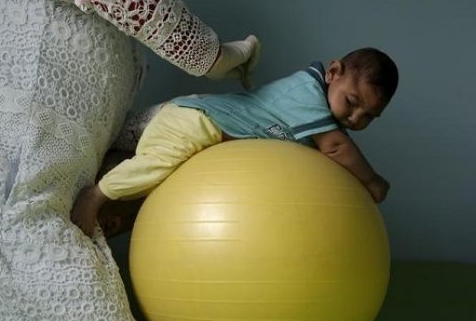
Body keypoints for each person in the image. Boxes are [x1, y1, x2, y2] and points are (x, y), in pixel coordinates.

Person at [0, 0, 260, 321]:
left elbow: (94, 124)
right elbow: (138, 4)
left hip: (25, 165)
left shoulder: (114, 41)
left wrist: (182, 114)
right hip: (1, 161)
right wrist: (215, 57)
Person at [73, 47, 399, 238]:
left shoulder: (320, 113)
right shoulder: (306, 94)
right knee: (155, 168)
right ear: (333, 72)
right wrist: (371, 180)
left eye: (368, 116)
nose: (354, 118)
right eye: (352, 101)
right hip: (197, 121)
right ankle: (97, 194)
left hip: (207, 127)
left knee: (156, 191)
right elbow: (336, 148)